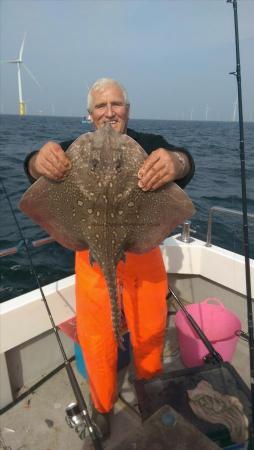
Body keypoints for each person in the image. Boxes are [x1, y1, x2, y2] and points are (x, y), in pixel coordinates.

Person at [24, 78, 195, 439]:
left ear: (127, 111)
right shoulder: (73, 150)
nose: (108, 113)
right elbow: (31, 168)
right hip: (93, 262)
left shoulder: (147, 146)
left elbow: (186, 161)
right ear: (89, 115)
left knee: (149, 333)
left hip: (143, 257)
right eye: (101, 107)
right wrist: (39, 162)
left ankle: (149, 391)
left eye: (116, 105)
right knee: (98, 339)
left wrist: (175, 163)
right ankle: (102, 406)